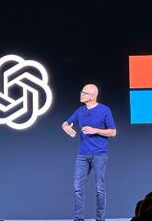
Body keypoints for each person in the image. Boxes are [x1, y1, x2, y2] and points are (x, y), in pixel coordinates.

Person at [62, 84, 116, 221]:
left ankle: (100, 219)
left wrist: (95, 130)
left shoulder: (104, 110)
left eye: (84, 93)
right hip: (82, 155)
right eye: (81, 92)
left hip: (99, 154)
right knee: (77, 188)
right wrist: (66, 127)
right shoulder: (80, 111)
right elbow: (66, 123)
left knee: (99, 189)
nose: (81, 95)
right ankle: (78, 219)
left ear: (92, 96)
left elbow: (113, 132)